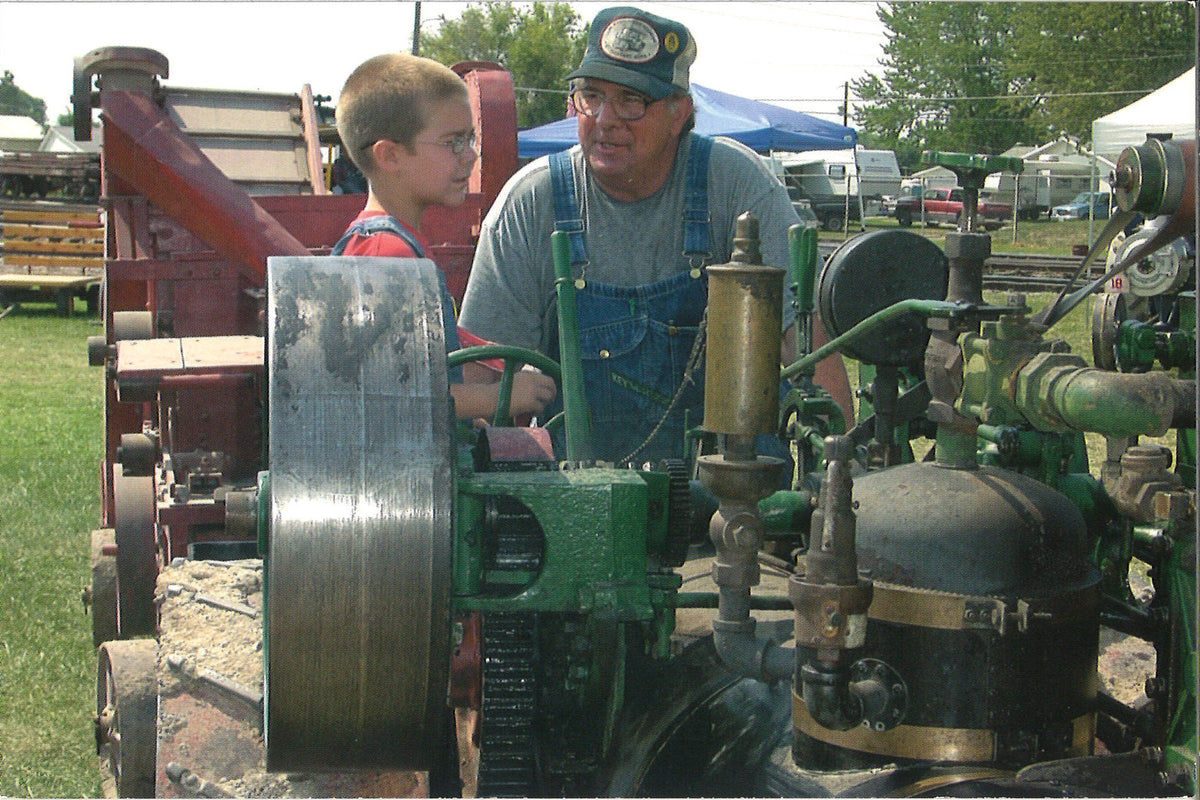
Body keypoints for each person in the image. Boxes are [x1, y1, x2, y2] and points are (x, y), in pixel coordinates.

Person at [459, 6, 851, 463]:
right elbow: (481, 388)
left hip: (733, 505)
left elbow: (809, 349)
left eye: (631, 101)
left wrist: (842, 470)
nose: (605, 118)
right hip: (583, 502)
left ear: (680, 113)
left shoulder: (736, 184)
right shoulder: (531, 204)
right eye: (591, 96)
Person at [334, 53, 557, 422]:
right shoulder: (386, 253)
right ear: (390, 156)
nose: (469, 156)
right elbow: (393, 400)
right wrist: (503, 397)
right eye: (453, 141)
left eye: (469, 139)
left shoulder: (396, 244)